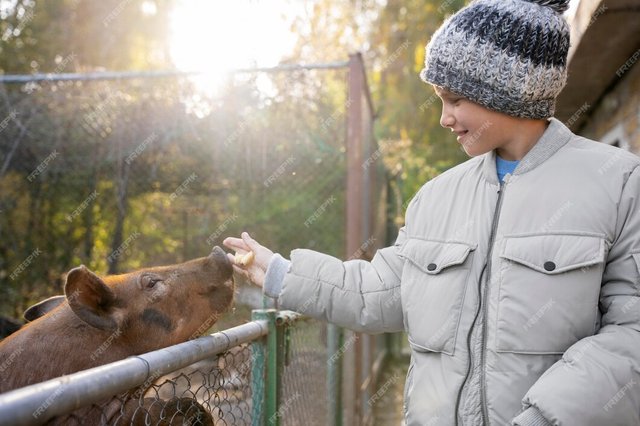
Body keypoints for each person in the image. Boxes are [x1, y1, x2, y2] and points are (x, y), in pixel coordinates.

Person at [224, 0, 640, 424]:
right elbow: (382, 290)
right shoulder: (437, 197)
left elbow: (632, 334)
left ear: (508, 89)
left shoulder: (620, 182)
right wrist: (279, 272)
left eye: (454, 99)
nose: (444, 118)